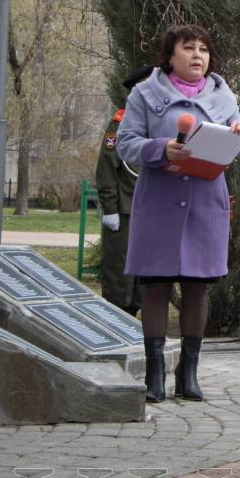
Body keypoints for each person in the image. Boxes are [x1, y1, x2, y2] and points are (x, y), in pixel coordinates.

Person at [117, 24, 240, 403]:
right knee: (156, 287)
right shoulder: (144, 94)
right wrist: (161, 148)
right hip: (158, 204)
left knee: (198, 289)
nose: (198, 55)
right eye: (189, 48)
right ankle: (154, 374)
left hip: (205, 205)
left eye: (204, 49)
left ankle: (189, 372)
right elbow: (125, 143)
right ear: (169, 56)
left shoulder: (223, 96)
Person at [94, 65, 151, 315]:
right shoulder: (121, 122)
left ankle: (139, 320)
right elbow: (107, 167)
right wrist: (110, 209)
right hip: (125, 210)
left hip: (152, 209)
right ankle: (116, 321)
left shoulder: (159, 122)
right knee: (119, 271)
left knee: (146, 274)